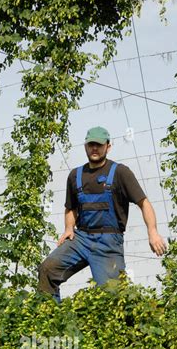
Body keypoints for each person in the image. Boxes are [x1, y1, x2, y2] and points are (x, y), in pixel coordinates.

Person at [38, 126, 167, 302]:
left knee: (113, 298)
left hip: (108, 242)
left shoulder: (121, 173)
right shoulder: (75, 175)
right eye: (91, 145)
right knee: (48, 269)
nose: (95, 149)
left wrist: (153, 232)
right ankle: (51, 320)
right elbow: (70, 208)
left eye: (99, 145)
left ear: (108, 146)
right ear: (85, 146)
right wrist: (69, 228)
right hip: (81, 238)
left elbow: (144, 203)